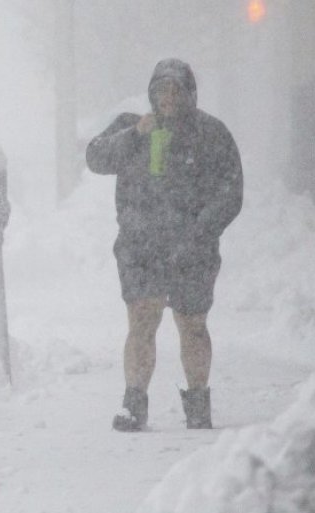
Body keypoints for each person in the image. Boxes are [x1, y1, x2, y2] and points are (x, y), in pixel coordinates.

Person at [85, 58, 243, 431]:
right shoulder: (133, 126)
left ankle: (198, 403)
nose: (168, 97)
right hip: (140, 246)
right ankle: (133, 404)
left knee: (192, 324)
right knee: (142, 321)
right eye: (161, 90)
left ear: (190, 94)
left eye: (176, 90)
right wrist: (134, 134)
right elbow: (95, 157)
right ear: (151, 93)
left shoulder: (211, 133)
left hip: (193, 250)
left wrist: (200, 231)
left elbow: (231, 191)